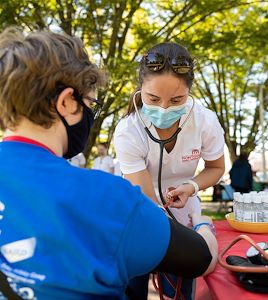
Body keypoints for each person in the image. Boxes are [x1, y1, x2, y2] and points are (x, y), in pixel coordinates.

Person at [0, 28, 218, 300]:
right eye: (92, 102)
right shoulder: (108, 198)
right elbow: (201, 258)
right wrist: (203, 227)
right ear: (67, 101)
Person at [114, 42, 225, 299]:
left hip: (184, 211)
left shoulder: (205, 120)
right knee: (133, 285)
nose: (164, 109)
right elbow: (150, 203)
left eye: (176, 100)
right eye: (153, 99)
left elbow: (216, 167)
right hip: (140, 211)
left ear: (189, 92)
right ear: (141, 89)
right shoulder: (128, 131)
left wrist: (192, 186)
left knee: (179, 290)